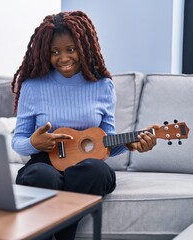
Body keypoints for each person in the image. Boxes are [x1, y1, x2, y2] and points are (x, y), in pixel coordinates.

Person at [11, 10, 157, 240]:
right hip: (44, 163)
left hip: (85, 170)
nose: (64, 58)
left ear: (84, 46)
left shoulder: (102, 86)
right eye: (55, 52)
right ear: (44, 53)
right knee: (42, 176)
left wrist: (130, 143)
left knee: (96, 170)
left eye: (71, 49)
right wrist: (33, 142)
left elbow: (105, 142)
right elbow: (17, 142)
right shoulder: (32, 86)